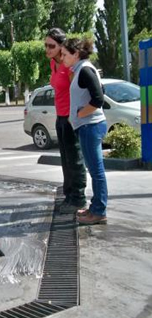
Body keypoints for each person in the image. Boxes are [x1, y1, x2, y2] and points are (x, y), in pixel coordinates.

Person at [61, 38, 108, 225]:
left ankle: (99, 212)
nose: (62, 57)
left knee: (96, 171)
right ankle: (95, 207)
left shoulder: (85, 70)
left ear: (76, 54)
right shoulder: (82, 69)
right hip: (88, 126)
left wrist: (80, 114)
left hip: (90, 126)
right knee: (94, 170)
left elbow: (98, 99)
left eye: (65, 54)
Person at [45, 28, 87, 214]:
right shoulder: (53, 65)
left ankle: (78, 198)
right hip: (60, 117)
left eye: (51, 46)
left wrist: (76, 116)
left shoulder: (68, 66)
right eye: (46, 45)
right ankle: (69, 195)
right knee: (65, 160)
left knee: (75, 160)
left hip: (71, 118)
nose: (47, 49)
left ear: (61, 46)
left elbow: (79, 91)